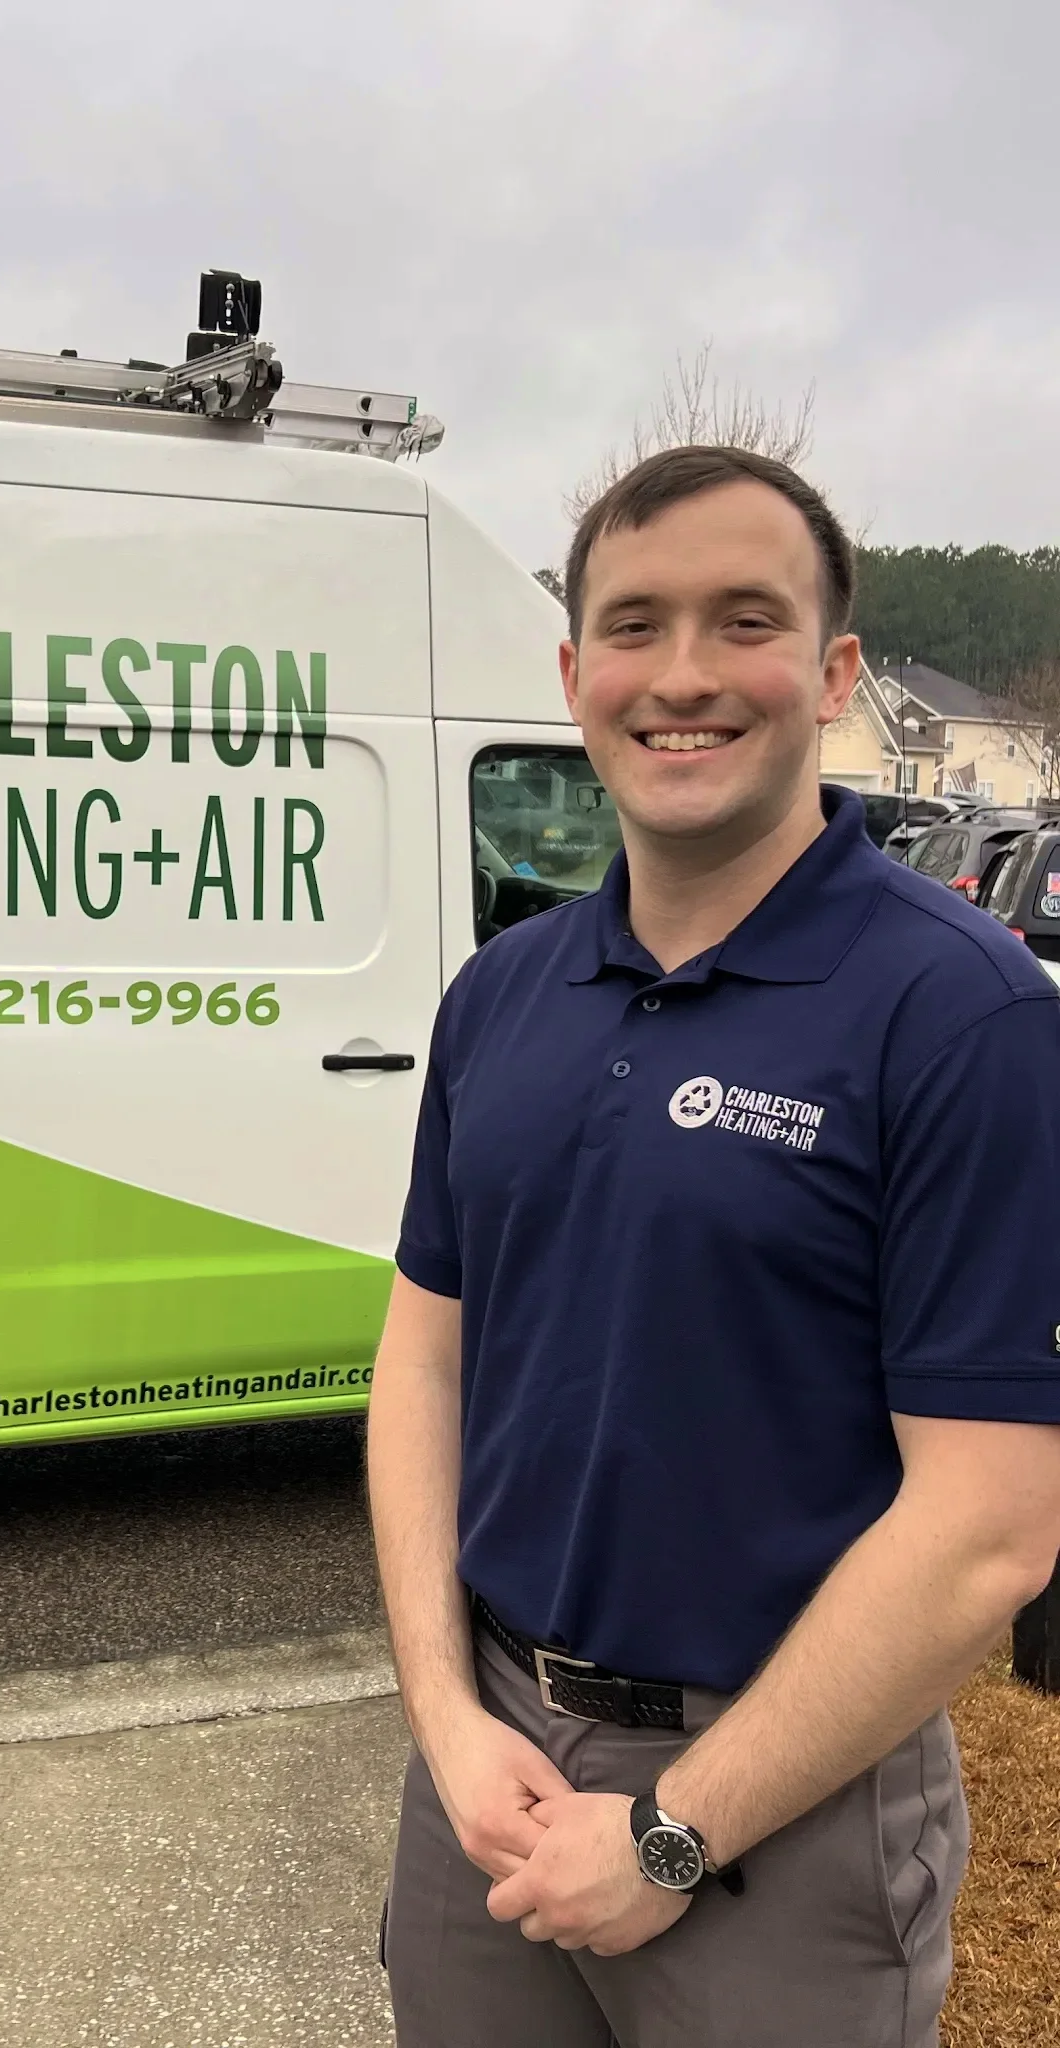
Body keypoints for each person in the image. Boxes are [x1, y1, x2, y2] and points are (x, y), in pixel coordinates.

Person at [367, 444, 1060, 2048]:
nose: (682, 675)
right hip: (488, 1768)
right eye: (634, 625)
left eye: (746, 621)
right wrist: (447, 1721)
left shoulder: (964, 1017)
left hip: (785, 1805)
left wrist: (675, 1833)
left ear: (834, 675)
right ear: (574, 677)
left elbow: (989, 1528)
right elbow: (423, 1364)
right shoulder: (501, 996)